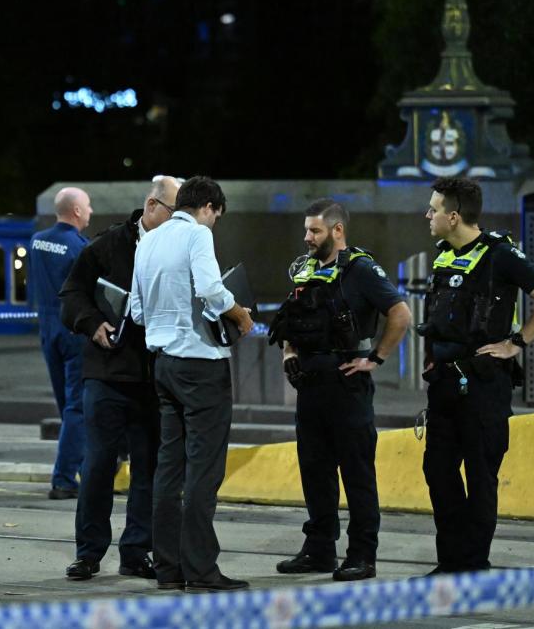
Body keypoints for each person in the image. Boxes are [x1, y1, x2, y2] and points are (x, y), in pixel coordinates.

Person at [421, 177, 534, 574]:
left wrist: (516, 342)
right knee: (437, 470)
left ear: (453, 216)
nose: (427, 215)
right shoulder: (443, 255)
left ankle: (474, 563)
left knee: (481, 475)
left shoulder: (500, 254)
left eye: (433, 209)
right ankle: (451, 560)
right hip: (446, 383)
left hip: (484, 385)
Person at [269, 199, 412, 582]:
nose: (307, 237)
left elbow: (401, 314)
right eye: (306, 230)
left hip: (347, 382)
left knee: (357, 474)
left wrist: (376, 358)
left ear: (337, 230)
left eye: (314, 230)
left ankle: (362, 555)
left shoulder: (361, 270)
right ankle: (319, 550)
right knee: (315, 472)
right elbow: (290, 321)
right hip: (310, 384)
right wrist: (288, 353)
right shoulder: (306, 270)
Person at [130, 175, 255, 593]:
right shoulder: (197, 235)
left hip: (162, 365)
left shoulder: (147, 240)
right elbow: (210, 289)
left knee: (168, 468)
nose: (213, 224)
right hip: (201, 368)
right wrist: (238, 314)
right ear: (209, 207)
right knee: (204, 470)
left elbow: (136, 311)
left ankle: (168, 567)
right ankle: (201, 569)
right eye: (215, 217)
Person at [58, 176, 181, 582]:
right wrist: (92, 324)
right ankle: (89, 553)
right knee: (97, 466)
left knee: (148, 469)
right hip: (107, 375)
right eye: (174, 212)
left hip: (152, 378)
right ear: (151, 206)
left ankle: (136, 551)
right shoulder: (108, 244)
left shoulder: (177, 246)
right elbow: (72, 293)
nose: (180, 222)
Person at [28, 186, 92, 499]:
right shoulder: (80, 246)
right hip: (73, 332)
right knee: (76, 407)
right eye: (88, 207)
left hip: (47, 329)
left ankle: (78, 464)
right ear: (77, 211)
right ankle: (65, 478)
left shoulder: (37, 240)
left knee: (66, 406)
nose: (91, 212)